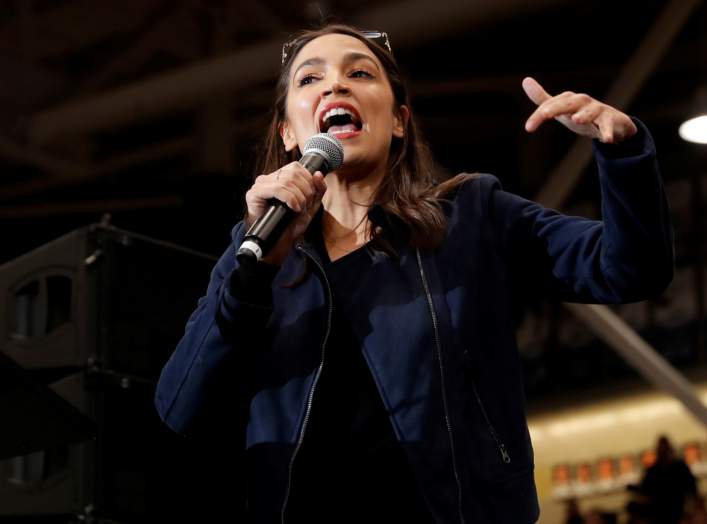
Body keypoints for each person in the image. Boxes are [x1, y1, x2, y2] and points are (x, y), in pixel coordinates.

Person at [154, 24, 674, 524]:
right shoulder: (257, 253)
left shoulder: (471, 215)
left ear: (399, 119)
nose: (335, 83)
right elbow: (181, 407)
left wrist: (622, 154)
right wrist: (252, 271)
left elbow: (628, 271)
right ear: (290, 133)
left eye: (360, 74)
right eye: (310, 79)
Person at [640, 435, 697, 524]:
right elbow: (691, 486)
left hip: (667, 511)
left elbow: (645, 489)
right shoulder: (679, 466)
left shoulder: (654, 470)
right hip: (672, 510)